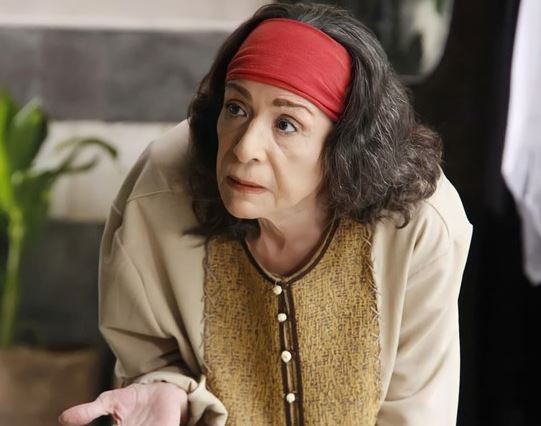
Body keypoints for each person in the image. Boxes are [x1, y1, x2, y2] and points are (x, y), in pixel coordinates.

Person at [59, 2, 472, 425]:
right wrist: (164, 389)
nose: (244, 148)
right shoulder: (160, 192)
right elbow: (149, 358)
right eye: (236, 108)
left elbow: (416, 411)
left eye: (286, 124)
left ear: (346, 142)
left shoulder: (419, 220)